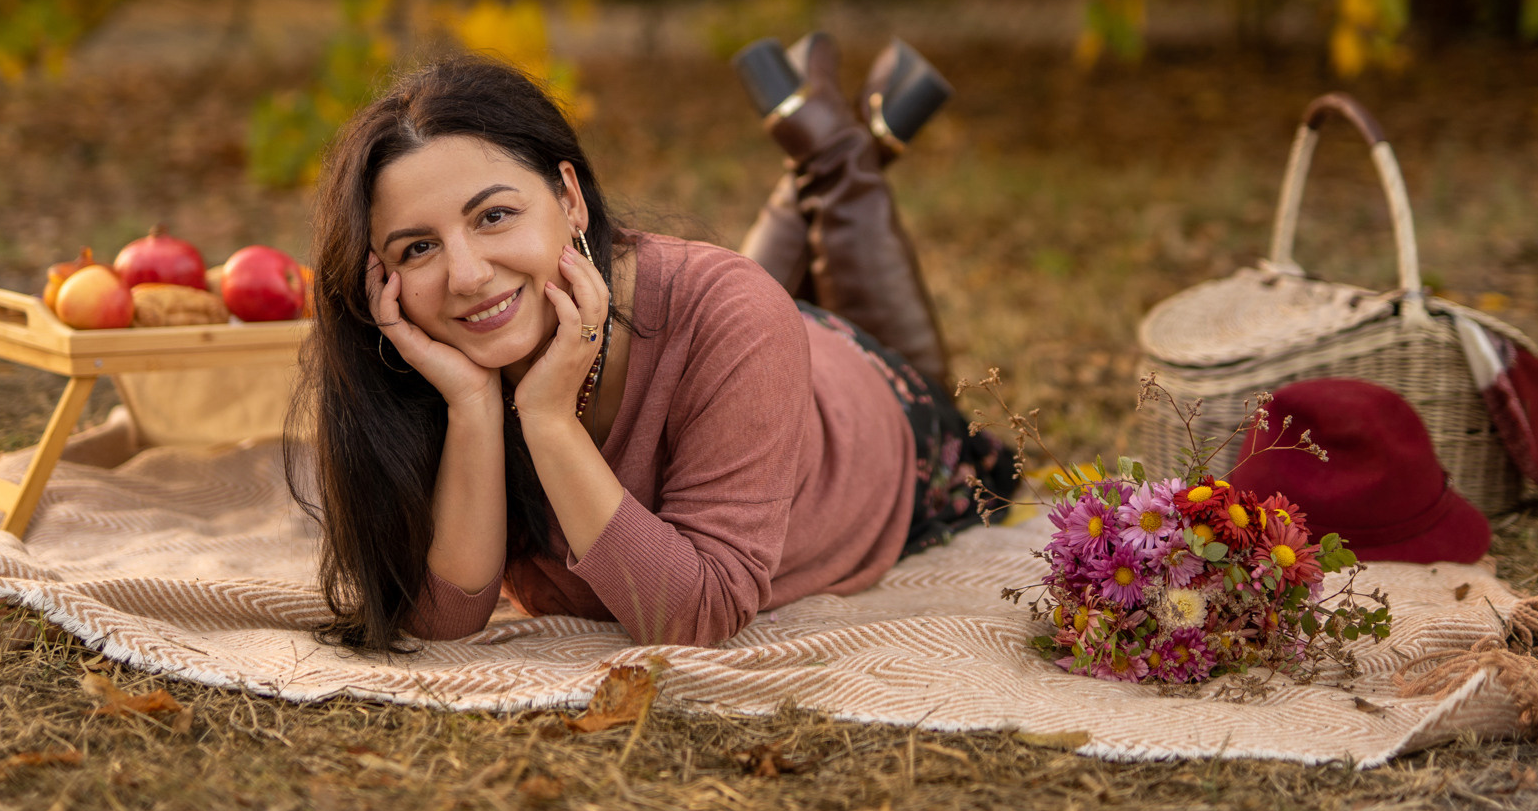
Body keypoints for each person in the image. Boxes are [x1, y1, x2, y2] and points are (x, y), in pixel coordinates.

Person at [287, 35, 1014, 651]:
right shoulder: (428, 356)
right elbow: (443, 618)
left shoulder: (730, 311)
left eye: (495, 215)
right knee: (738, 295)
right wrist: (475, 405)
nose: (467, 275)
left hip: (869, 409)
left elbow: (697, 613)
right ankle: (823, 136)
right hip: (724, 329)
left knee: (745, 297)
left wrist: (546, 419)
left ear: (569, 197)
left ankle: (833, 148)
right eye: (417, 249)